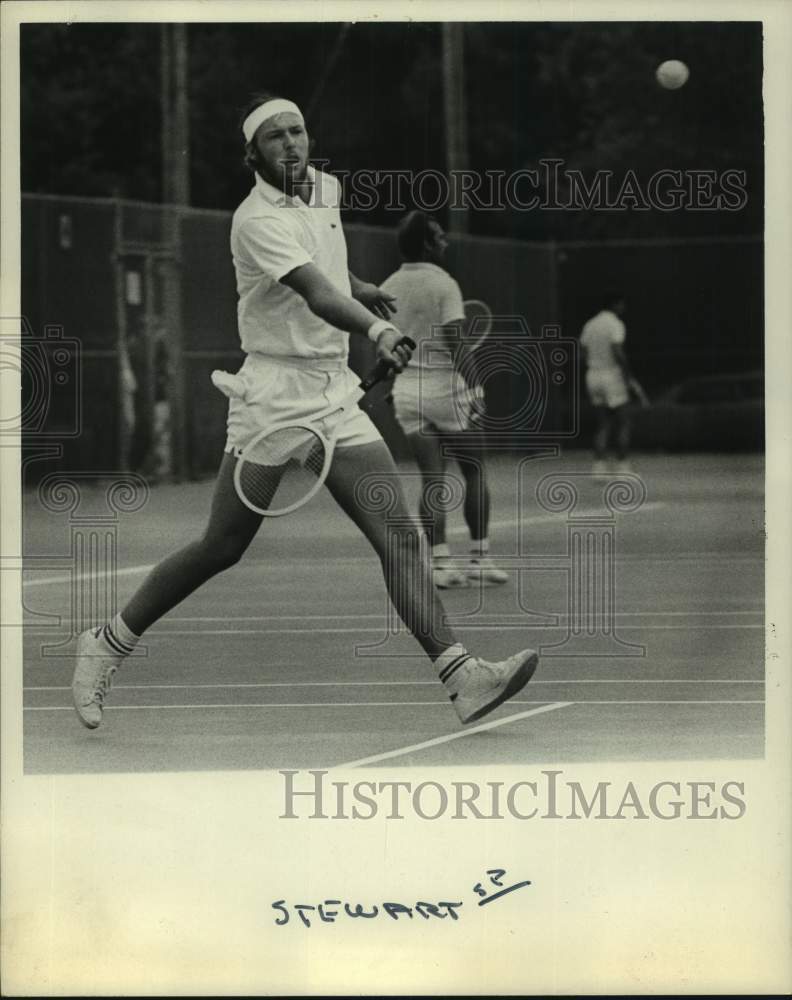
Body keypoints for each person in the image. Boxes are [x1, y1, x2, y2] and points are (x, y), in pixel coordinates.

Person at [71, 94, 538, 732]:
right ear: (253, 154)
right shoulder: (253, 220)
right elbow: (315, 293)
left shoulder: (326, 188)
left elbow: (332, 275)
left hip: (333, 394)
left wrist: (364, 291)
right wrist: (374, 331)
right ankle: (106, 641)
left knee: (397, 533)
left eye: (298, 132)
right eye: (276, 137)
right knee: (221, 545)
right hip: (271, 397)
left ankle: (461, 676)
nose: (291, 144)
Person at [380, 211, 508, 590]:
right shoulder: (445, 284)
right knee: (475, 471)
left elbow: (389, 344)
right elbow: (457, 342)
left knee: (431, 480)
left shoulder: (387, 286)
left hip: (407, 393)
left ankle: (439, 564)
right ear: (427, 244)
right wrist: (475, 389)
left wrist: (394, 381)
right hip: (447, 392)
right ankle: (480, 560)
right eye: (439, 237)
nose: (446, 243)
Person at [579, 294, 646, 474]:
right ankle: (623, 466)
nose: (623, 308)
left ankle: (598, 467)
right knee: (624, 421)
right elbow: (617, 350)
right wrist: (628, 376)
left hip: (592, 375)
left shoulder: (590, 324)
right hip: (611, 374)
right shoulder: (615, 324)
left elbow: (582, 353)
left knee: (603, 423)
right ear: (616, 305)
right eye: (622, 304)